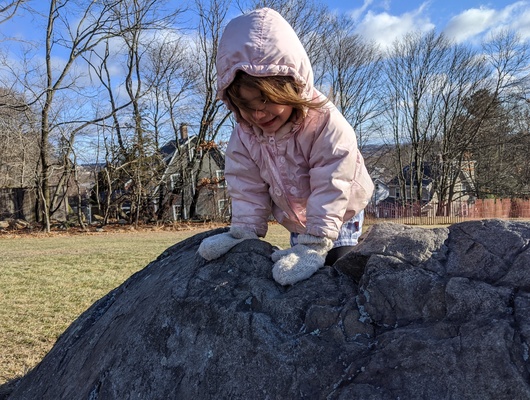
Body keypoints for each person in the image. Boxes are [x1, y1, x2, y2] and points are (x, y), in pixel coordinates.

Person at [198, 7, 374, 286]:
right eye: (246, 106)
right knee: (297, 275)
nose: (258, 114)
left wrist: (315, 242)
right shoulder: (245, 135)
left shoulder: (325, 123)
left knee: (337, 264)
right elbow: (245, 184)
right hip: (296, 218)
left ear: (290, 86)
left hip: (341, 211)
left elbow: (332, 182)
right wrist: (244, 231)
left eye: (265, 100)